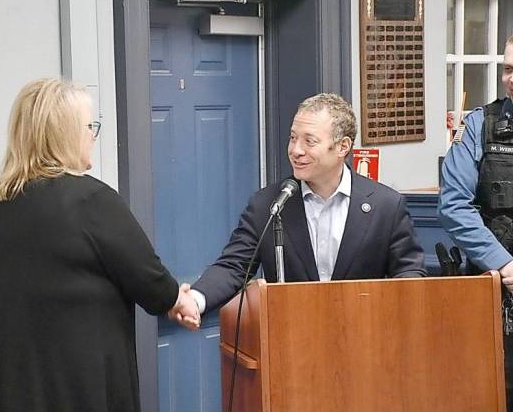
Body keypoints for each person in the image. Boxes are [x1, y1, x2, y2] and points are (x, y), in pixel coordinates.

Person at [0, 78, 198, 412]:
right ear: (64, 134)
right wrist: (179, 299)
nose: (92, 135)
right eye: (89, 126)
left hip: (5, 392)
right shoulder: (92, 201)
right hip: (74, 391)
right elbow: (150, 281)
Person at [171, 93, 426, 321]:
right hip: (292, 348)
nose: (296, 150)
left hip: (366, 346)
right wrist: (195, 299)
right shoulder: (268, 205)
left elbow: (409, 273)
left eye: (309, 141)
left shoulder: (386, 206)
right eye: (293, 138)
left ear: (342, 147)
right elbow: (233, 266)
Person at [438, 34, 513, 410]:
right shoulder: (481, 126)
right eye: (509, 69)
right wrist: (504, 263)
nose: (511, 78)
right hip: (498, 290)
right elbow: (454, 204)